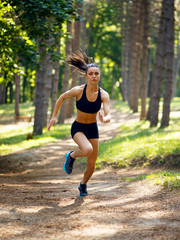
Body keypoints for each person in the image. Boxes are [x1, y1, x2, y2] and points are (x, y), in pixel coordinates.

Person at [48, 50, 111, 197]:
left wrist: (103, 119)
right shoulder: (78, 91)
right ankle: (71, 156)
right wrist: (53, 116)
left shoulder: (103, 95)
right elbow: (62, 97)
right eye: (91, 74)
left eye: (97, 73)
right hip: (78, 128)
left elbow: (108, 115)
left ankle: (83, 185)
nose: (94, 76)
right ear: (86, 75)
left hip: (92, 129)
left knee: (91, 164)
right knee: (87, 149)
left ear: (99, 75)